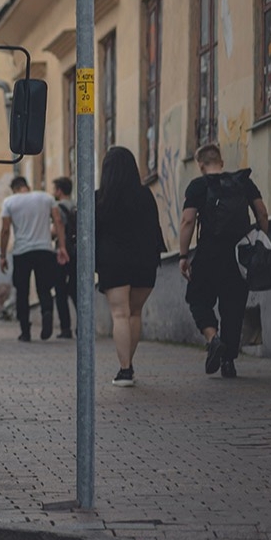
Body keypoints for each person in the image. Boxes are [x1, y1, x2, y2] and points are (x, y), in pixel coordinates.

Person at [178, 143, 269, 379]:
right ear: (221, 161)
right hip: (240, 255)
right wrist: (258, 240)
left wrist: (183, 255)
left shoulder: (198, 186)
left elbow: (188, 221)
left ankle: (212, 338)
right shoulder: (243, 181)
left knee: (197, 297)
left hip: (209, 253)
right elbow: (262, 213)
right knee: (233, 307)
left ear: (200, 165)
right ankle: (228, 362)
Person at [94, 147, 165, 387]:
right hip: (144, 261)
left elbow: (91, 234)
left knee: (120, 314)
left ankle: (125, 370)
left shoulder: (99, 198)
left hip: (113, 262)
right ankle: (128, 365)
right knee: (134, 314)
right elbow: (155, 229)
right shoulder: (145, 195)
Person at [0, 176, 69, 341]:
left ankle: (25, 331)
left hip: (22, 252)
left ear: (14, 188)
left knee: (22, 292)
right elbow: (58, 221)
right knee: (44, 288)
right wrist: (62, 247)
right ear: (27, 186)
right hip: (44, 249)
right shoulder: (46, 198)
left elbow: (5, 230)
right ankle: (47, 313)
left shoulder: (9, 202)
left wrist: (2, 255)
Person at [51, 176, 77, 339]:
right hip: (77, 252)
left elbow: (56, 229)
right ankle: (82, 326)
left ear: (59, 191)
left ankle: (65, 328)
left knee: (60, 290)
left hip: (62, 252)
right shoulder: (77, 204)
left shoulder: (58, 207)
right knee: (76, 290)